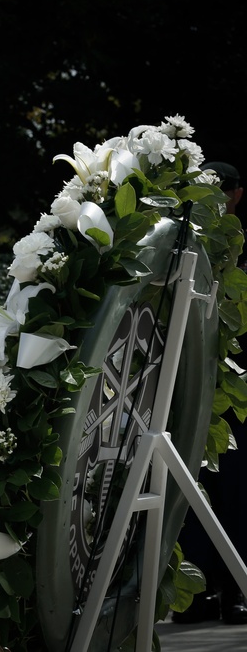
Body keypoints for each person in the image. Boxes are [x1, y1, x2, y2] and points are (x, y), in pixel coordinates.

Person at [173, 161, 247, 625]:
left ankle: (238, 588)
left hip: (237, 388)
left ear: (238, 195)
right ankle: (196, 589)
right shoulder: (179, 242)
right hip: (186, 385)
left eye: (223, 191)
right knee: (190, 487)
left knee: (238, 491)